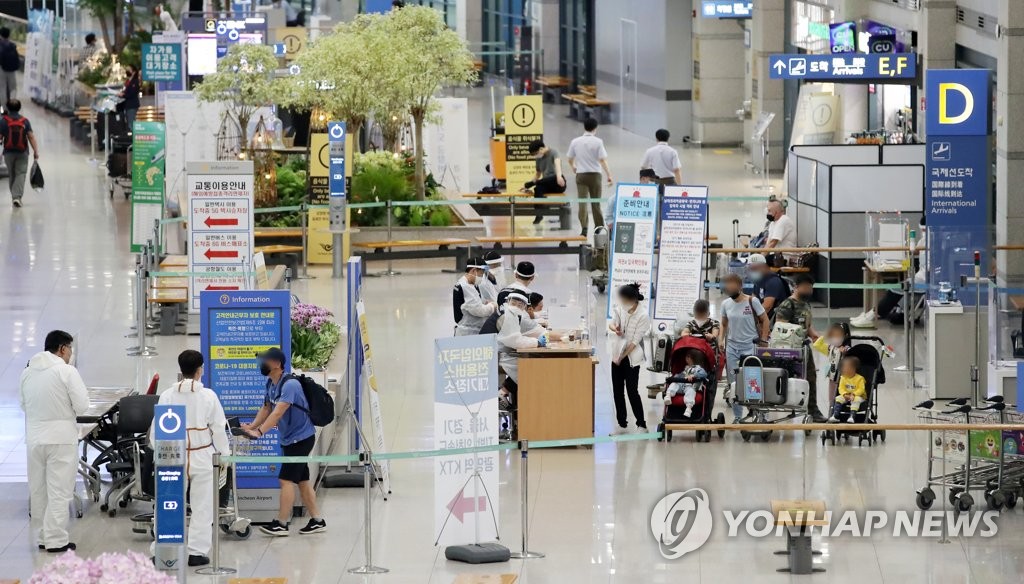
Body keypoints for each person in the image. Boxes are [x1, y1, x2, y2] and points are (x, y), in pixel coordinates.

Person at [153, 350, 230, 567]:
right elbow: (218, 429)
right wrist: (225, 456)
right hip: (202, 454)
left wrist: (157, 452)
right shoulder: (208, 396)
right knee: (203, 505)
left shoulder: (168, 395)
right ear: (200, 370)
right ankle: (197, 551)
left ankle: (164, 549)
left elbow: (156, 430)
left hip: (173, 454)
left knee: (168, 503)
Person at [243, 348, 326, 536]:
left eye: (265, 360)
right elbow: (266, 408)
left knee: (285, 479)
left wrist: (260, 432)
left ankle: (281, 523)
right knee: (303, 480)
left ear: (277, 364)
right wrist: (252, 426)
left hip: (301, 439)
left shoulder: (290, 385)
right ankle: (317, 520)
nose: (261, 364)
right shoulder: (271, 384)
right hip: (289, 438)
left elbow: (278, 412)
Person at [19, 330, 89, 553]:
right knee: (59, 490)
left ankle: (43, 536)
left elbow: (23, 404)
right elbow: (82, 406)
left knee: (39, 490)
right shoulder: (66, 372)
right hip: (61, 439)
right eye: (70, 349)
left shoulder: (27, 373)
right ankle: (56, 539)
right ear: (62, 348)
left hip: (34, 439)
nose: (70, 354)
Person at [852, 218, 928, 328]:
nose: (923, 233)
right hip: (919, 277)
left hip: (925, 280)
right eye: (922, 230)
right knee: (896, 289)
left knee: (895, 289)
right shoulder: (923, 240)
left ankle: (871, 316)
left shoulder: (933, 242)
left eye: (925, 230)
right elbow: (914, 250)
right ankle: (869, 314)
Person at [774, 274, 827, 421]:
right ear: (796, 287)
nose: (808, 291)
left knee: (810, 377)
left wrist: (815, 336)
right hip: (787, 350)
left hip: (803, 348)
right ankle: (782, 403)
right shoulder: (787, 305)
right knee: (786, 378)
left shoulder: (806, 304)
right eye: (805, 287)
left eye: (810, 288)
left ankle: (813, 410)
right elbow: (780, 327)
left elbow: (808, 326)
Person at [720, 273, 770, 422]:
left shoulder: (752, 301)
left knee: (752, 380)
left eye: (732, 285)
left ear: (740, 286)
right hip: (732, 348)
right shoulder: (725, 304)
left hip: (750, 346)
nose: (729, 288)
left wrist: (763, 339)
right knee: (734, 383)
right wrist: (721, 339)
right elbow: (723, 324)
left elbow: (765, 320)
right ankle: (737, 416)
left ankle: (757, 412)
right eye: (727, 286)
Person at [608, 283, 651, 432]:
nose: (623, 303)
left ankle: (641, 423)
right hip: (617, 352)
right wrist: (615, 328)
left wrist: (622, 357)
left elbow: (634, 342)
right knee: (617, 389)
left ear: (633, 300)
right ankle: (622, 422)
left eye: (625, 300)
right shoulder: (620, 308)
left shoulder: (643, 316)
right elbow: (612, 324)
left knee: (632, 390)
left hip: (632, 357)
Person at [496, 291, 549, 408]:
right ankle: (505, 394)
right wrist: (537, 342)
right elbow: (515, 341)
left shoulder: (509, 313)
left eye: (520, 305)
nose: (518, 306)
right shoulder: (508, 316)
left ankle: (504, 392)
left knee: (529, 365)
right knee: (529, 368)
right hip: (499, 356)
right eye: (515, 303)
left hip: (503, 352)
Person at [566, 117, 613, 236]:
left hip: (581, 175)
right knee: (595, 201)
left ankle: (584, 228)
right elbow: (602, 160)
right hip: (595, 175)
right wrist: (609, 175)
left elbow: (570, 158)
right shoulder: (598, 142)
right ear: (595, 128)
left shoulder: (575, 141)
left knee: (582, 202)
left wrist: (573, 167)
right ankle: (598, 226)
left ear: (584, 127)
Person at [0, 99, 39, 208]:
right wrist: (36, 151)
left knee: (12, 174)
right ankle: (17, 197)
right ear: (19, 108)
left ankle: (15, 197)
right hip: (22, 152)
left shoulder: (3, 121)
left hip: (8, 153)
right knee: (20, 173)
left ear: (7, 107)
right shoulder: (25, 121)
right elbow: (31, 137)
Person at [524, 139, 566, 225]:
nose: (536, 156)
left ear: (541, 149)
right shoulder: (538, 159)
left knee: (541, 182)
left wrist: (559, 176)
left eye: (536, 153)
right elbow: (538, 174)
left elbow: (558, 165)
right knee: (537, 188)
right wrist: (529, 184)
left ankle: (544, 204)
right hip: (545, 183)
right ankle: (539, 214)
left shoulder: (554, 152)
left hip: (557, 182)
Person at [454, 257, 496, 336]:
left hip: (470, 330)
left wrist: (485, 303)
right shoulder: (466, 287)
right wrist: (492, 306)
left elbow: (471, 304)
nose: (481, 277)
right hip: (469, 333)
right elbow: (479, 311)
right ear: (474, 270)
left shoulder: (465, 282)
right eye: (481, 273)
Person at [665, 351, 707, 417]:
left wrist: (694, 376)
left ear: (692, 358)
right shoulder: (686, 368)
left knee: (691, 391)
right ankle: (668, 395)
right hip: (681, 385)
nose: (686, 359)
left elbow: (704, 374)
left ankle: (689, 408)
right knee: (674, 384)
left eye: (688, 357)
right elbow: (680, 375)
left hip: (690, 386)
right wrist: (674, 378)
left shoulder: (698, 368)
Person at [748, 253, 789, 320]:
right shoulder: (758, 280)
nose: (752, 271)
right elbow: (753, 301)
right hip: (763, 317)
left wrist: (752, 319)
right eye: (751, 269)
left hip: (776, 319)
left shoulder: (773, 281)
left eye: (755, 268)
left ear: (764, 267)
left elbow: (767, 306)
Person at [828, 356, 866, 423]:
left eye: (848, 368)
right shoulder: (843, 378)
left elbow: (861, 389)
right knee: (838, 398)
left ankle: (852, 416)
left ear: (854, 368)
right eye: (844, 368)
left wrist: (854, 394)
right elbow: (841, 388)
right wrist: (845, 394)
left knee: (856, 399)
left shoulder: (860, 379)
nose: (845, 370)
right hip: (846, 395)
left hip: (859, 396)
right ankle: (835, 415)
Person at [119, 64, 141, 131]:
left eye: (129, 70)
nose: (127, 71)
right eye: (127, 69)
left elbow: (132, 94)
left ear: (134, 72)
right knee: (128, 122)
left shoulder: (135, 82)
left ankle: (133, 138)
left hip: (132, 105)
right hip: (127, 105)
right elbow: (125, 90)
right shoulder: (127, 81)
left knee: (131, 124)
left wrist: (123, 95)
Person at [0, 28, 19, 103]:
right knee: (13, 88)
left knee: (2, 88)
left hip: (2, 69)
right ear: (8, 35)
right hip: (12, 70)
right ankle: (13, 105)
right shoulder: (12, 45)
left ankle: (4, 108)